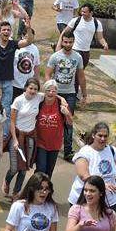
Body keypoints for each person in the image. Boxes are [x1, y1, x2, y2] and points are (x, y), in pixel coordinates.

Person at [45, 31, 85, 159]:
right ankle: (50, 145)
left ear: (73, 42)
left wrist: (84, 94)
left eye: (70, 42)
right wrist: (50, 90)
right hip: (55, 94)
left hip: (70, 94)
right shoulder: (55, 57)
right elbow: (47, 75)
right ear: (62, 41)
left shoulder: (77, 57)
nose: (68, 44)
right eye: (65, 42)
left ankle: (68, 151)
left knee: (68, 121)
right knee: (52, 120)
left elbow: (81, 76)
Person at [3, 78, 42, 198]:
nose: (33, 91)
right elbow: (12, 122)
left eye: (35, 89)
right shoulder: (18, 100)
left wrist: (62, 100)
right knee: (14, 168)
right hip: (17, 135)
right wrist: (14, 139)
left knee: (24, 168)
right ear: (26, 88)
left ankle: (16, 193)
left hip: (30, 136)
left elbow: (54, 94)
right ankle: (7, 180)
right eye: (31, 88)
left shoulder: (39, 97)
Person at [34, 80, 73, 177]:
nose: (51, 93)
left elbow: (70, 122)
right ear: (44, 91)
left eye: (54, 91)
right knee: (41, 169)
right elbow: (30, 92)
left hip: (55, 144)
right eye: (48, 90)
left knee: (49, 171)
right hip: (40, 142)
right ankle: (35, 189)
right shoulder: (39, 101)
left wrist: (67, 113)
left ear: (57, 92)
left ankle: (45, 191)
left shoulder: (61, 104)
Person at [57, 3, 109, 68]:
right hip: (74, 49)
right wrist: (59, 45)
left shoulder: (97, 23)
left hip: (86, 52)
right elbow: (64, 32)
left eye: (84, 12)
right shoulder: (75, 20)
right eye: (82, 11)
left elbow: (100, 38)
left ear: (91, 13)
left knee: (81, 71)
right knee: (72, 70)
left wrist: (104, 44)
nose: (82, 13)